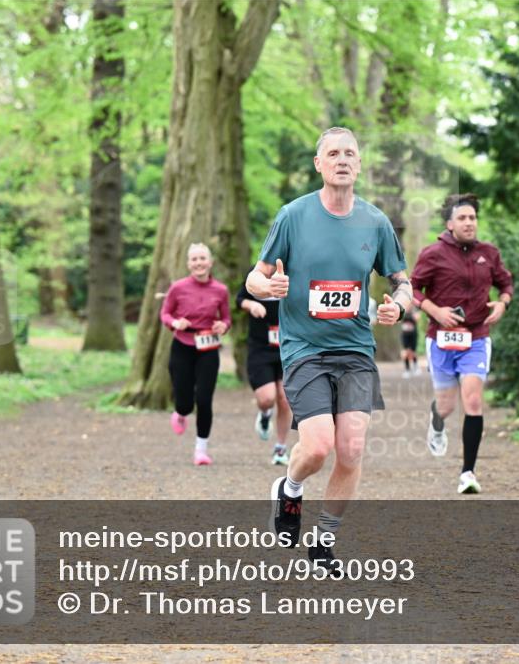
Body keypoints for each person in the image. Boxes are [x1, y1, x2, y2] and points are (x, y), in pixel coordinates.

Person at [247, 126, 411, 571]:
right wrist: (269, 285)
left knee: (352, 448)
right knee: (317, 448)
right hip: (304, 349)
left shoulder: (375, 223)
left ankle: (323, 543)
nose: (342, 160)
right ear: (318, 164)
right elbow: (253, 278)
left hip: (356, 349)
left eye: (350, 153)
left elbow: (403, 282)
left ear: (359, 164)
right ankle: (290, 489)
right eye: (333, 153)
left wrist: (397, 305)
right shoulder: (293, 216)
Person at [411, 193, 513, 494]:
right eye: (463, 218)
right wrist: (435, 311)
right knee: (446, 406)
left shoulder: (489, 253)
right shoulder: (433, 254)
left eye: (472, 218)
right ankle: (437, 421)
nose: (469, 223)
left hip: (477, 337)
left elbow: (505, 283)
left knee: (473, 401)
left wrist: (502, 303)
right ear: (449, 224)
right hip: (440, 339)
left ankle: (468, 472)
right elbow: (413, 289)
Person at [160, 243, 231, 466]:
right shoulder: (178, 288)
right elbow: (165, 313)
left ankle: (201, 449)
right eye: (194, 259)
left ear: (210, 262)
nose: (199, 263)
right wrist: (175, 323)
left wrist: (223, 326)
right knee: (185, 403)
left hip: (208, 347)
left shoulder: (220, 290)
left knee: (204, 398)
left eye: (202, 258)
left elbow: (227, 318)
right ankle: (180, 413)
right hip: (182, 345)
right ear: (188, 264)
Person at [236, 267, 291, 465]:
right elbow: (239, 298)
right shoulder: (255, 273)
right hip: (261, 348)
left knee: (285, 398)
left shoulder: (293, 273)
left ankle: (280, 448)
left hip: (288, 347)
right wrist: (251, 305)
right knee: (267, 398)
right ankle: (265, 413)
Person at [400, 307, 421, 378]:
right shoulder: (402, 308)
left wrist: (411, 314)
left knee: (413, 351)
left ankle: (415, 367)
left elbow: (417, 319)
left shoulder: (415, 309)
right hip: (405, 334)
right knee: (406, 352)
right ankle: (407, 369)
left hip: (413, 334)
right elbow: (399, 320)